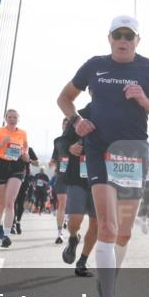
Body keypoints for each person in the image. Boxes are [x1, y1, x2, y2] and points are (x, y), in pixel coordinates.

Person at [57, 15, 149, 297]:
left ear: (138, 40)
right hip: (98, 150)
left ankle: (106, 286)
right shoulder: (94, 66)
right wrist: (76, 122)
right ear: (109, 38)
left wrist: (145, 101)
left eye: (129, 35)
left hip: (132, 151)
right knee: (108, 228)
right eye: (117, 34)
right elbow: (65, 98)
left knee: (124, 232)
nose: (122, 39)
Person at [0, 109, 31, 248]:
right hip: (1, 166)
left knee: (10, 202)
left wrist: (26, 156)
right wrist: (1, 144)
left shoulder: (23, 133)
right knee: (2, 203)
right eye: (9, 117)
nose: (12, 119)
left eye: (14, 117)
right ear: (5, 118)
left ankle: (6, 235)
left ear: (18, 118)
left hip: (17, 167)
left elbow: (25, 150)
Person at [59, 108, 97, 277]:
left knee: (96, 225)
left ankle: (82, 262)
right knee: (75, 221)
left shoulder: (115, 115)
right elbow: (60, 142)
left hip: (102, 180)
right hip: (78, 178)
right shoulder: (78, 117)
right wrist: (70, 147)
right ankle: (74, 237)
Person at [50, 117, 71, 244]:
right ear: (62, 126)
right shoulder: (57, 141)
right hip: (62, 176)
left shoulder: (80, 139)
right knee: (62, 203)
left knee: (72, 204)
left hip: (76, 176)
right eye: (65, 123)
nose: (66, 125)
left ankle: (69, 223)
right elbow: (54, 157)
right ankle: (59, 233)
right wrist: (52, 163)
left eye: (69, 124)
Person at [11, 146, 39, 234]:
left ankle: (18, 221)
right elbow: (6, 159)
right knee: (13, 201)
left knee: (21, 201)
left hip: (24, 179)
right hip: (13, 177)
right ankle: (13, 223)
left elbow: (37, 163)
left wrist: (29, 160)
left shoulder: (29, 149)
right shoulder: (14, 147)